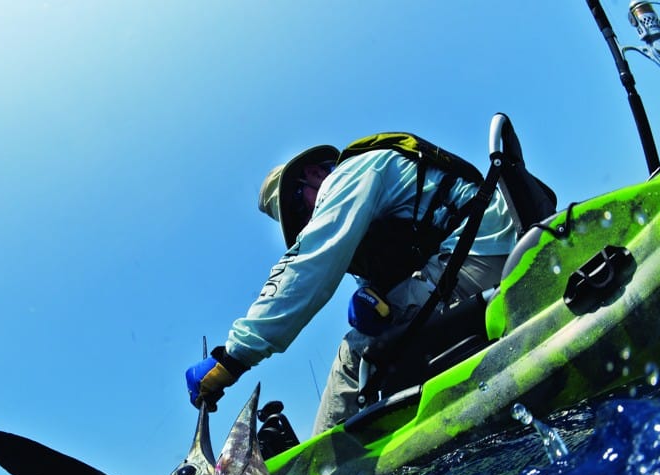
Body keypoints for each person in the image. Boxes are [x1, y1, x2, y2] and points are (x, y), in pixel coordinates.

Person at [186, 135, 517, 435]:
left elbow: (307, 266)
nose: (306, 222)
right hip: (479, 252)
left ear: (314, 174)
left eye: (298, 208)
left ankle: (326, 463)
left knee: (356, 352)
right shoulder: (373, 195)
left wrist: (231, 357)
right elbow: (389, 286)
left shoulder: (349, 176)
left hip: (481, 247)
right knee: (383, 340)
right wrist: (373, 301)